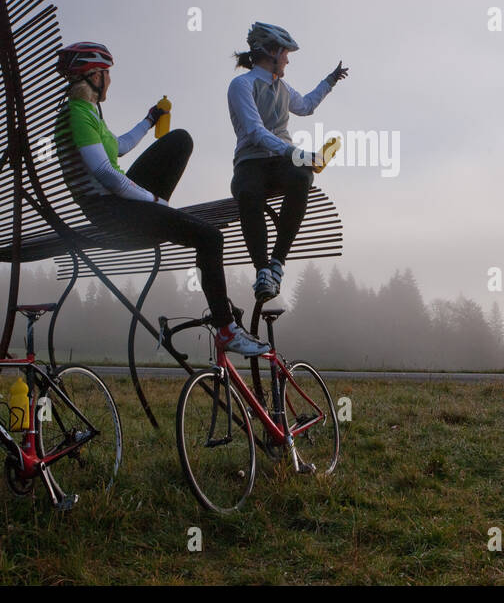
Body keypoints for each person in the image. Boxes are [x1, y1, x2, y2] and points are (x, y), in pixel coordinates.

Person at [54, 41, 269, 357]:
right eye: (106, 74)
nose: (110, 81)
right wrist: (153, 200)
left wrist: (150, 120)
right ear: (93, 75)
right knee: (210, 237)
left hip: (117, 204)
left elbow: (120, 148)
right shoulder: (76, 114)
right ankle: (227, 331)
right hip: (112, 211)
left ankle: (162, 213)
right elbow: (105, 172)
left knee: (179, 139)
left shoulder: (86, 113)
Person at [227, 22, 348, 302]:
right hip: (250, 161)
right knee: (248, 193)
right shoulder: (241, 85)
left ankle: (276, 264)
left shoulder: (282, 86)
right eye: (285, 53)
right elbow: (256, 131)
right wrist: (297, 154)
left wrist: (329, 81)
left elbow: (305, 106)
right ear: (270, 52)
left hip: (280, 160)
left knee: (302, 177)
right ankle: (262, 272)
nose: (287, 59)